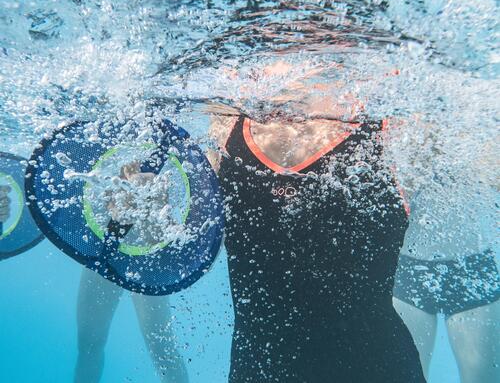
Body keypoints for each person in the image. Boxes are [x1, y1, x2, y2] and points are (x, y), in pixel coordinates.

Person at [198, 61, 425, 382]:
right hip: (257, 370)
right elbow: (190, 244)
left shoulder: (395, 119)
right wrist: (125, 219)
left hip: (375, 369)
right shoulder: (226, 119)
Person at [392, 137, 500, 383]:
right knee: (407, 376)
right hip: (408, 271)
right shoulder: (398, 127)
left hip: (473, 270)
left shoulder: (479, 120)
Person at [74, 164, 189, 383]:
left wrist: (154, 203)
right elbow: (87, 197)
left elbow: (170, 230)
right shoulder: (106, 148)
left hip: (147, 254)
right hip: (104, 248)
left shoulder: (169, 160)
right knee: (89, 343)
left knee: (161, 349)